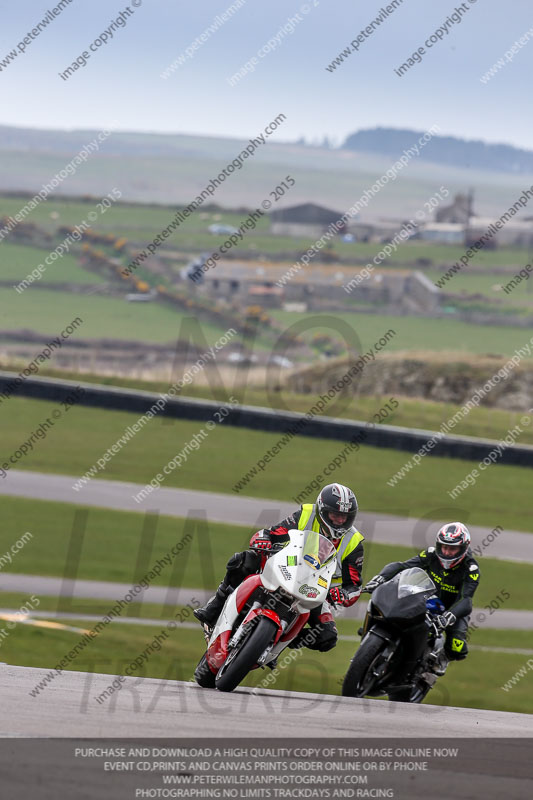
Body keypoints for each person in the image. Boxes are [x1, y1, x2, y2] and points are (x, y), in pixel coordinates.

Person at [194, 483, 365, 653]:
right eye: (335, 515)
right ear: (322, 510)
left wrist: (342, 595)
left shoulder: (354, 542)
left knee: (328, 636)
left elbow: (354, 587)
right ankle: (213, 609)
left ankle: (275, 645)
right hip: (287, 568)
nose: (340, 521)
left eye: (345, 517)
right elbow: (273, 533)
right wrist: (262, 540)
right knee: (243, 560)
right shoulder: (306, 515)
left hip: (316, 592)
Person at [365, 521, 480, 674]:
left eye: (452, 549)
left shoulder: (471, 568)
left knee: (457, 647)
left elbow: (466, 600)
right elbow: (403, 566)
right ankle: (372, 634)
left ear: (463, 548)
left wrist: (449, 616)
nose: (446, 552)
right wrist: (381, 577)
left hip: (453, 609)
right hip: (428, 599)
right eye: (444, 547)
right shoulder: (432, 554)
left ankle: (440, 659)